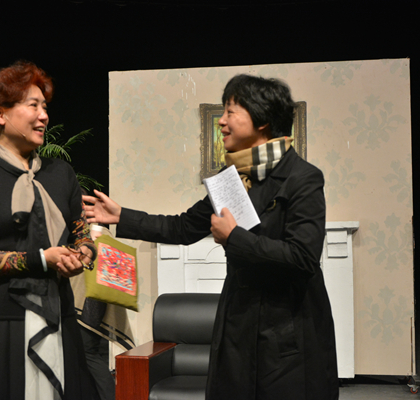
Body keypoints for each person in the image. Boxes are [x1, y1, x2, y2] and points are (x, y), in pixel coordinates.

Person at [83, 74, 339, 399]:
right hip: (237, 327)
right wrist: (122, 216)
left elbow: (303, 257)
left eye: (231, 111)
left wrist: (234, 238)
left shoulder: (302, 178)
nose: (222, 121)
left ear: (262, 119)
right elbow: (183, 227)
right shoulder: (231, 178)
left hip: (288, 334)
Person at [0, 61, 100, 400]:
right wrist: (41, 259)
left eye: (45, 107)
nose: (44, 115)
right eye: (33, 105)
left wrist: (81, 256)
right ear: (0, 114)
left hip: (57, 318)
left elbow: (82, 235)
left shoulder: (61, 174)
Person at [70, 223, 135, 400]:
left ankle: (111, 396)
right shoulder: (101, 233)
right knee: (93, 350)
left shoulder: (96, 232)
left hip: (90, 302)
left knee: (87, 352)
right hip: (94, 301)